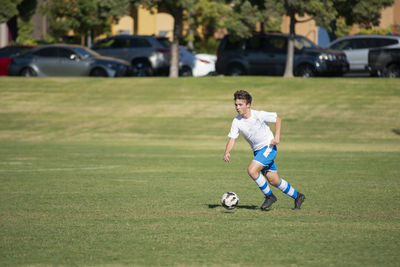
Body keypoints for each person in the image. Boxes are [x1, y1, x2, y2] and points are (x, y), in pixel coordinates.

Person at [223, 90, 305, 210]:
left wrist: (277, 137)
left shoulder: (258, 115)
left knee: (252, 170)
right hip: (258, 151)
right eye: (236, 104)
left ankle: (269, 196)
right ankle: (298, 196)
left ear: (248, 105)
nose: (237, 107)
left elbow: (278, 119)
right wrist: (227, 151)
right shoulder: (236, 121)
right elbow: (232, 139)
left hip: (268, 147)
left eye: (240, 104)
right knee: (274, 180)